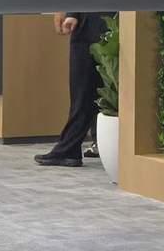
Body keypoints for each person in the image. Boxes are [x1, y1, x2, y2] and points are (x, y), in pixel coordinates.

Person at [34, 11, 111, 168]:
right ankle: (73, 147)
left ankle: (69, 148)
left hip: (94, 21)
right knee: (87, 90)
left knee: (84, 89)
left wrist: (72, 11)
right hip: (92, 19)